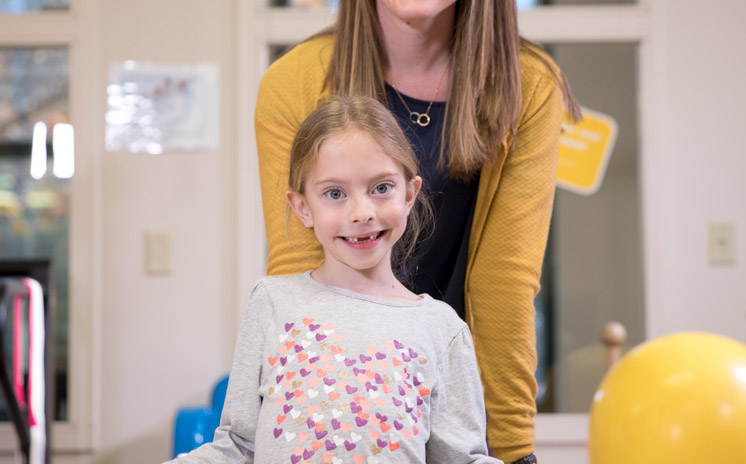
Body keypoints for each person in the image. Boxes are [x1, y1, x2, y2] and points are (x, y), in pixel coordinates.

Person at [255, 0, 579, 464]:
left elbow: (505, 284)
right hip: (338, 401)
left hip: (458, 402)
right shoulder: (296, 83)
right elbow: (300, 272)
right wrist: (316, 423)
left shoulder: (527, 85)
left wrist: (512, 448)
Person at [171, 96, 501, 463]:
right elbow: (236, 447)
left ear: (409, 194)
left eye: (381, 188)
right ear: (302, 207)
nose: (361, 213)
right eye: (334, 193)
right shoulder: (271, 301)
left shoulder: (443, 329)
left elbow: (462, 459)